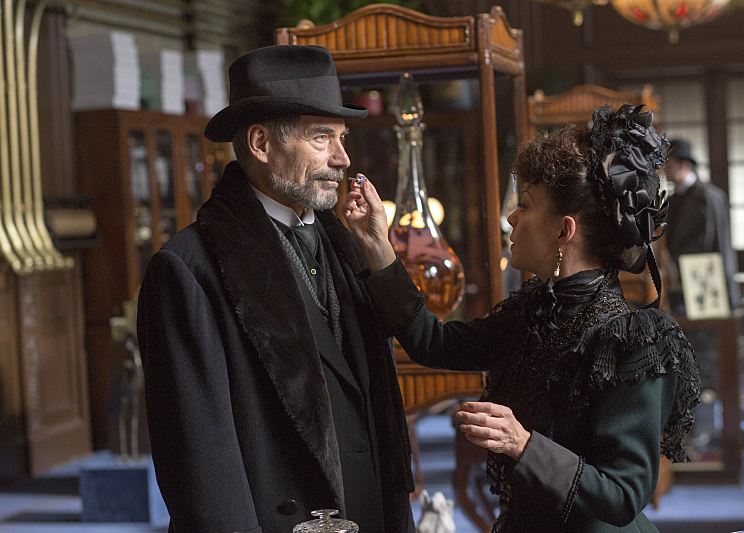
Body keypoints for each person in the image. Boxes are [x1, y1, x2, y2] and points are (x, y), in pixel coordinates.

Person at [342, 104, 702, 532]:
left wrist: (524, 444)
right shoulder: (534, 312)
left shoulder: (633, 339)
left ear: (563, 232)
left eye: (526, 205)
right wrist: (378, 247)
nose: (511, 216)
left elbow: (624, 494)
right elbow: (432, 343)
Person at [137, 45, 415, 533]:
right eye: (321, 138)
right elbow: (202, 471)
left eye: (342, 138)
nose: (342, 158)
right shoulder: (186, 271)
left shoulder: (350, 247)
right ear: (261, 143)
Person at [664, 138, 740, 313]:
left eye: (668, 163)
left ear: (683, 165)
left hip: (706, 276)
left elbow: (713, 243)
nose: (664, 169)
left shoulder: (708, 196)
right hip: (680, 278)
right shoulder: (672, 200)